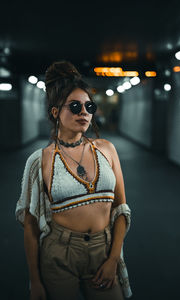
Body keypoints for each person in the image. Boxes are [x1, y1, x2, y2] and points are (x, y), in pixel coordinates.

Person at [15, 61, 132, 300]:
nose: (84, 112)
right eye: (75, 106)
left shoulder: (107, 149)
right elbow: (30, 226)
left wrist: (112, 259)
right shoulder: (40, 161)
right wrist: (35, 282)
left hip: (103, 250)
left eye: (89, 106)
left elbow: (121, 210)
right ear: (56, 112)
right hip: (59, 254)